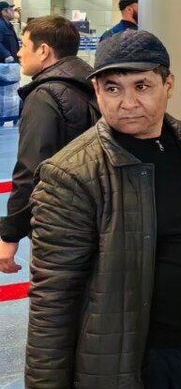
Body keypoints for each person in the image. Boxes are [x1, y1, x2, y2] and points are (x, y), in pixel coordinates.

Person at [25, 30, 181, 389]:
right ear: (97, 90)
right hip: (127, 363)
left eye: (142, 86)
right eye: (113, 88)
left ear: (168, 85)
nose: (127, 102)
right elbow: (53, 300)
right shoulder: (71, 174)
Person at [0, 16, 98, 275]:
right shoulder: (94, 86)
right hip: (97, 216)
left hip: (57, 224)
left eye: (24, 45)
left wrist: (10, 234)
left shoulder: (45, 96)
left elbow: (32, 168)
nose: (18, 52)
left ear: (43, 51)